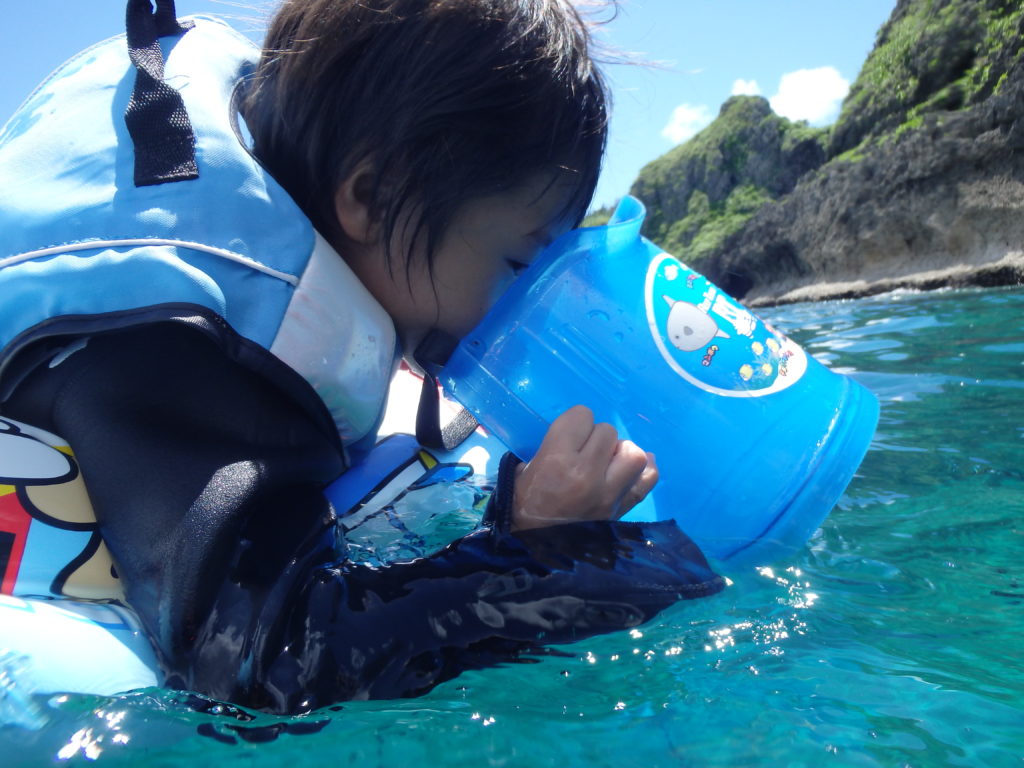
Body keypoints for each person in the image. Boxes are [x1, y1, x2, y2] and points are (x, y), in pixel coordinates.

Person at [0, 0, 723, 714]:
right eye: (514, 262)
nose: (517, 304)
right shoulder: (209, 356)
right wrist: (533, 556)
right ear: (371, 198)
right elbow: (262, 661)